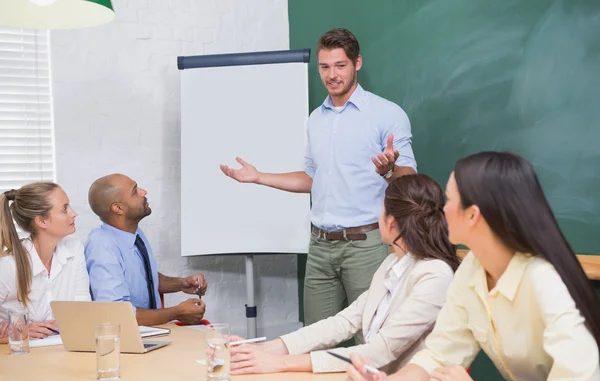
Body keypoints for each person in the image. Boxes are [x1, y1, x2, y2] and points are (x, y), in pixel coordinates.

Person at [345, 152, 600, 381]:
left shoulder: (545, 281)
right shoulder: (473, 269)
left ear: (472, 215)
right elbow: (438, 355)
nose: (441, 212)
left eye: (448, 200)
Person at [220, 28, 417, 326]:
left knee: (372, 337)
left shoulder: (387, 114)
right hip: (320, 247)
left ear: (357, 63)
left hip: (366, 246)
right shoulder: (316, 119)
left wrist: (389, 169)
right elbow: (313, 178)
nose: (332, 75)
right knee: (314, 338)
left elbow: (410, 179)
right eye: (325, 67)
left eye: (340, 66)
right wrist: (260, 177)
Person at [228, 175, 459, 375]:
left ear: (390, 222)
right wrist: (266, 349)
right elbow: (344, 322)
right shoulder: (392, 264)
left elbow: (379, 352)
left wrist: (281, 363)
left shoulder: (434, 276)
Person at [85, 174, 208, 326]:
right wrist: (175, 313)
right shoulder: (101, 246)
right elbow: (116, 313)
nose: (143, 192)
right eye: (135, 191)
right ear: (118, 208)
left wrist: (181, 284)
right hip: (127, 342)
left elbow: (144, 278)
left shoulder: (135, 234)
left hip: (153, 334)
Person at [0, 183, 91, 343]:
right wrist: (19, 331)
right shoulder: (9, 265)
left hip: (62, 351)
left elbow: (83, 308)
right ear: (42, 221)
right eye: (64, 209)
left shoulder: (73, 248)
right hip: (18, 359)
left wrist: (71, 321)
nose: (74, 214)